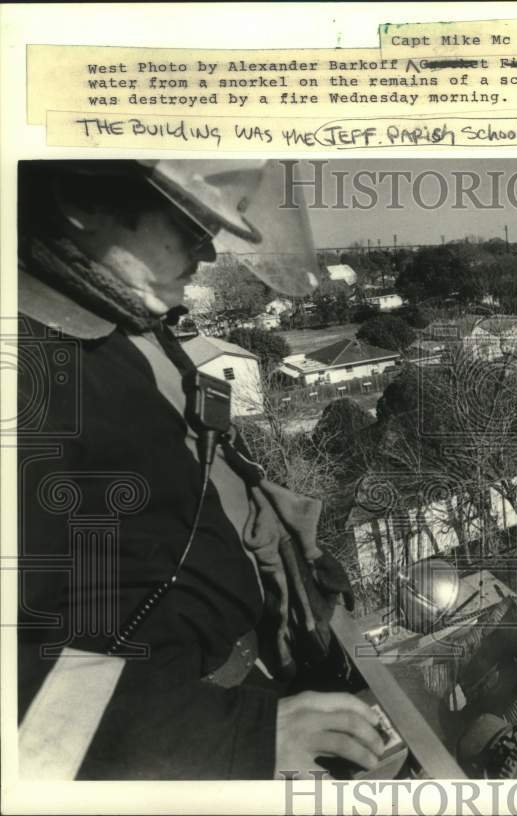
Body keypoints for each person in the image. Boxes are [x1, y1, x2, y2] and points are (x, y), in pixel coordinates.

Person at [16, 159, 385, 779]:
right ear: (82, 201)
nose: (209, 251)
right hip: (174, 750)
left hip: (243, 693)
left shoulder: (118, 320)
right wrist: (232, 741)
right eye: (188, 221)